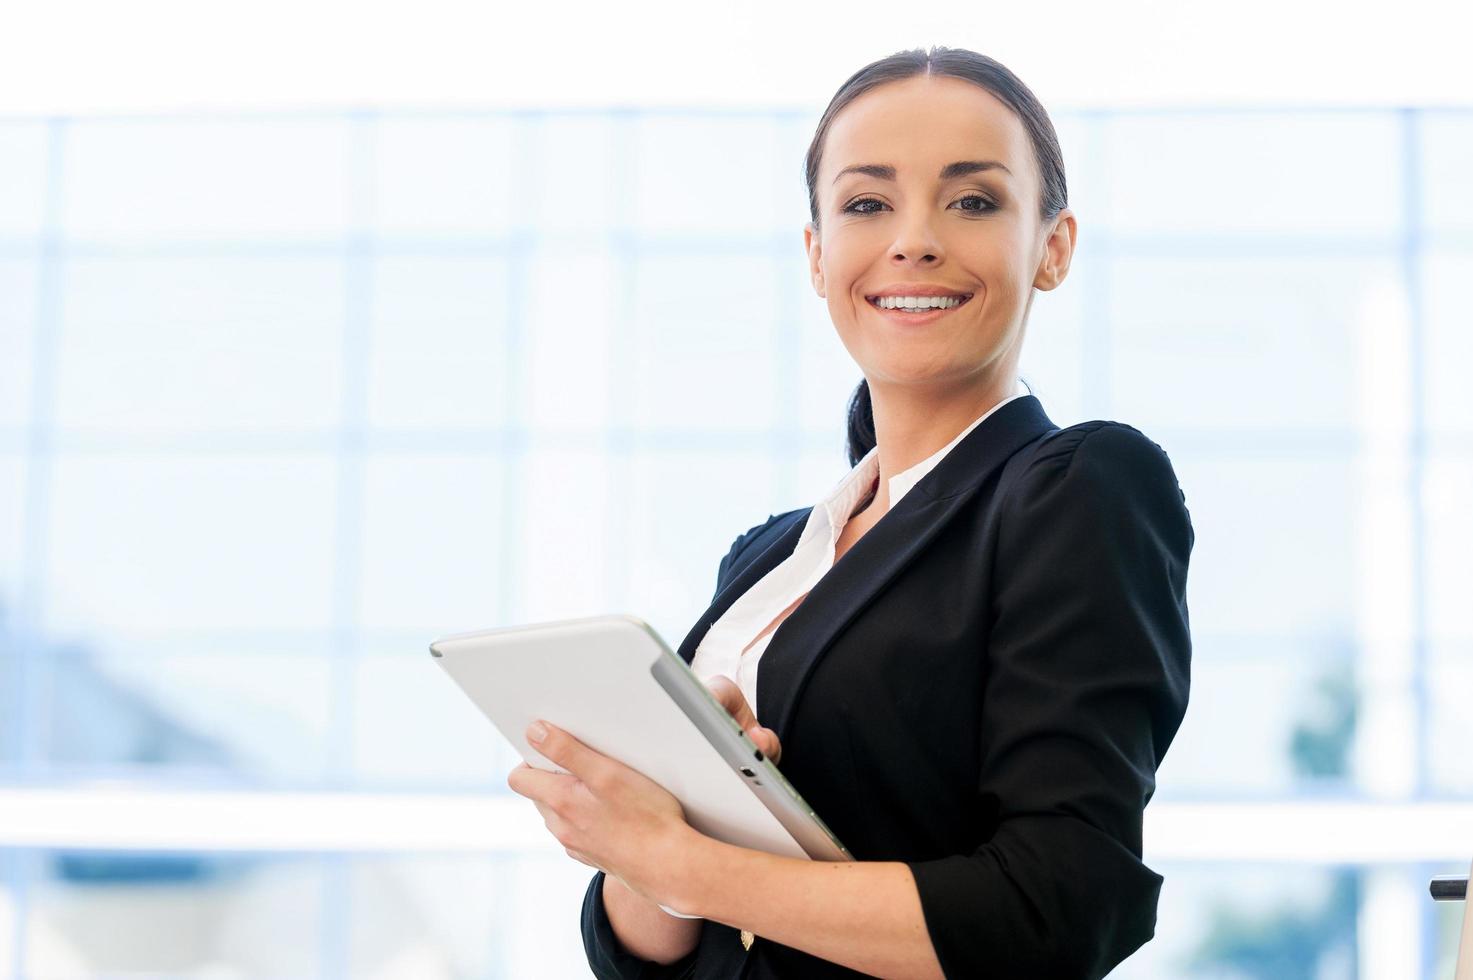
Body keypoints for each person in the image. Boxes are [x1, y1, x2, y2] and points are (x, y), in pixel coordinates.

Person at [507, 45, 1194, 979]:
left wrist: (689, 862)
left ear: (1053, 247)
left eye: (974, 200)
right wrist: (649, 839)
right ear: (817, 254)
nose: (913, 239)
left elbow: (1057, 904)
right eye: (867, 203)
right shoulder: (768, 556)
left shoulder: (1077, 486)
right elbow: (654, 954)